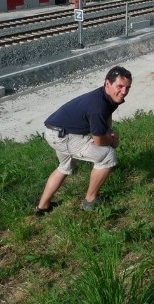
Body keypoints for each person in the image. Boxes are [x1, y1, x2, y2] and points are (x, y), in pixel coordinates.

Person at [35, 65, 133, 215]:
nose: (124, 92)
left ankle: (43, 207)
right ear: (107, 83)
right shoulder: (98, 106)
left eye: (128, 87)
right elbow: (99, 141)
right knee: (107, 155)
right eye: (120, 86)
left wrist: (109, 131)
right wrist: (112, 140)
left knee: (65, 166)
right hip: (63, 136)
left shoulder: (107, 96)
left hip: (56, 131)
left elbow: (106, 116)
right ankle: (90, 201)